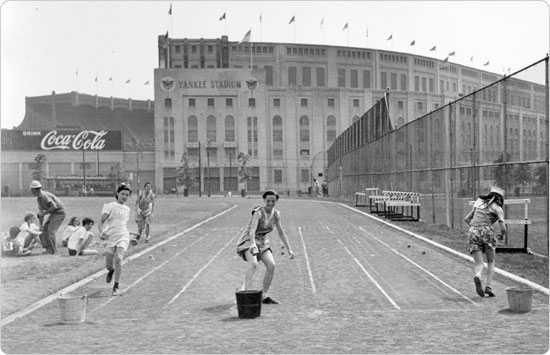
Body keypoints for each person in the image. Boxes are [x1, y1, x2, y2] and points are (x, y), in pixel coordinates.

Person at [236, 190, 295, 304]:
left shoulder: (276, 214)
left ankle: (264, 295)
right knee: (253, 263)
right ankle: (246, 294)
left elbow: (281, 232)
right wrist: (252, 244)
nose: (270, 203)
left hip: (262, 242)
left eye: (273, 201)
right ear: (264, 200)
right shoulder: (258, 212)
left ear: (276, 201)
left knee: (271, 265)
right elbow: (252, 231)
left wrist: (289, 249)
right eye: (268, 201)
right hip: (249, 240)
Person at [463, 186, 507, 298]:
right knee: (491, 261)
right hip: (487, 232)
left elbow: (467, 219)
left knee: (479, 263)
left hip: (473, 231)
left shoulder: (479, 204)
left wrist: (475, 230)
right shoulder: (497, 208)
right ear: (500, 199)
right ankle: (488, 286)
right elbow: (503, 228)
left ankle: (478, 275)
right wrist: (501, 235)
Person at [98, 183, 132, 296]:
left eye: (127, 195)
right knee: (109, 265)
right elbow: (101, 221)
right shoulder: (110, 206)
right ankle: (111, 271)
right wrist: (102, 232)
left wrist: (131, 236)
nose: (124, 196)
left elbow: (122, 224)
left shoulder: (127, 209)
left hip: (123, 236)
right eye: (122, 194)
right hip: (111, 237)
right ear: (117, 194)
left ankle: (116, 286)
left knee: (118, 259)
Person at [30, 180, 66, 254]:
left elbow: (54, 206)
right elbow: (41, 213)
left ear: (35, 189)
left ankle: (52, 250)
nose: (31, 191)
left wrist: (44, 213)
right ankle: (48, 249)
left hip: (59, 212)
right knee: (44, 230)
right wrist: (41, 225)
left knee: (50, 231)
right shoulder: (39, 199)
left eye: (32, 189)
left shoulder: (44, 196)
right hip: (53, 213)